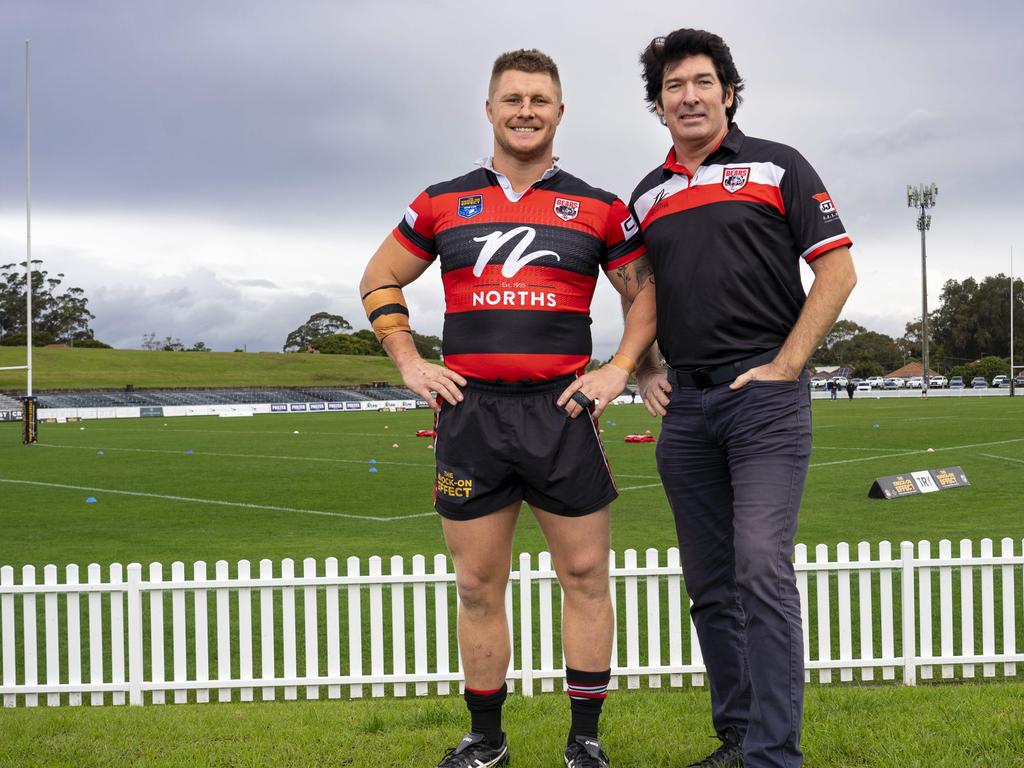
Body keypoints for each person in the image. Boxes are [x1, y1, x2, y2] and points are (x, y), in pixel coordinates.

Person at [359, 49, 655, 768]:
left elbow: (645, 292)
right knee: (475, 584)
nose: (526, 110)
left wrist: (619, 369)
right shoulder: (441, 201)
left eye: (540, 99)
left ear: (559, 112)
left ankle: (584, 742)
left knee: (585, 578)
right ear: (490, 110)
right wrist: (408, 361)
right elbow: (379, 277)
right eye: (513, 98)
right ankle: (487, 740)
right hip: (472, 415)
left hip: (560, 413)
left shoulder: (599, 206)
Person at [625, 29, 856, 768]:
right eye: (672, 86)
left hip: (762, 396)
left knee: (760, 566)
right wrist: (643, 368)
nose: (688, 96)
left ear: (727, 91)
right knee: (711, 584)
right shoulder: (646, 195)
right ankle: (737, 739)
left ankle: (773, 756)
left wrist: (787, 366)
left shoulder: (778, 164)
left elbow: (838, 273)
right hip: (685, 411)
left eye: (701, 82)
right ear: (657, 104)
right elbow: (642, 291)